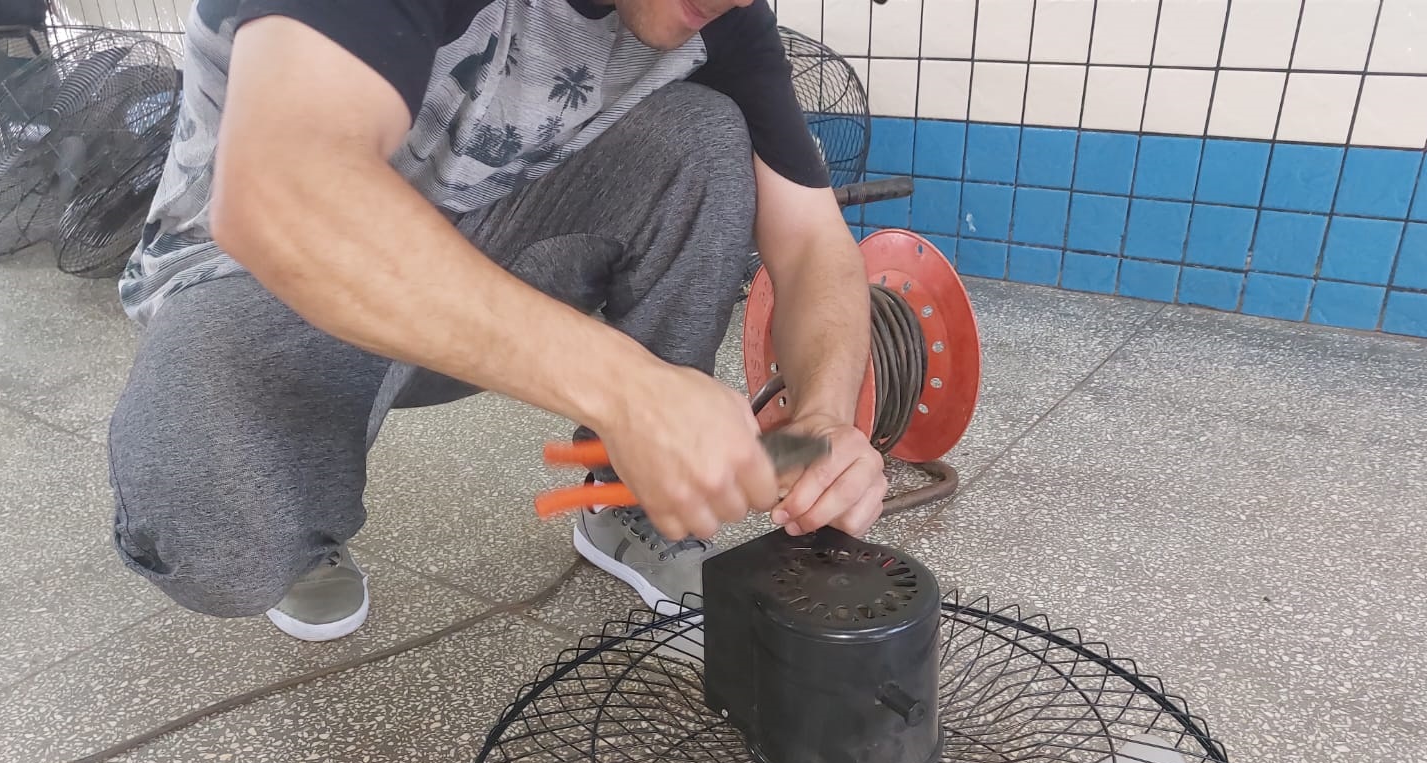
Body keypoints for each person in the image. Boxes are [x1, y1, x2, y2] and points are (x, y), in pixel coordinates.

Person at [108, 0, 886, 641]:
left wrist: (824, 420)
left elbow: (812, 243)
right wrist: (628, 389)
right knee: (222, 548)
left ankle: (635, 507)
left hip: (483, 265)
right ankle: (295, 528)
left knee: (705, 135)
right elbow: (282, 195)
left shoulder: (723, 19)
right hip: (258, 285)